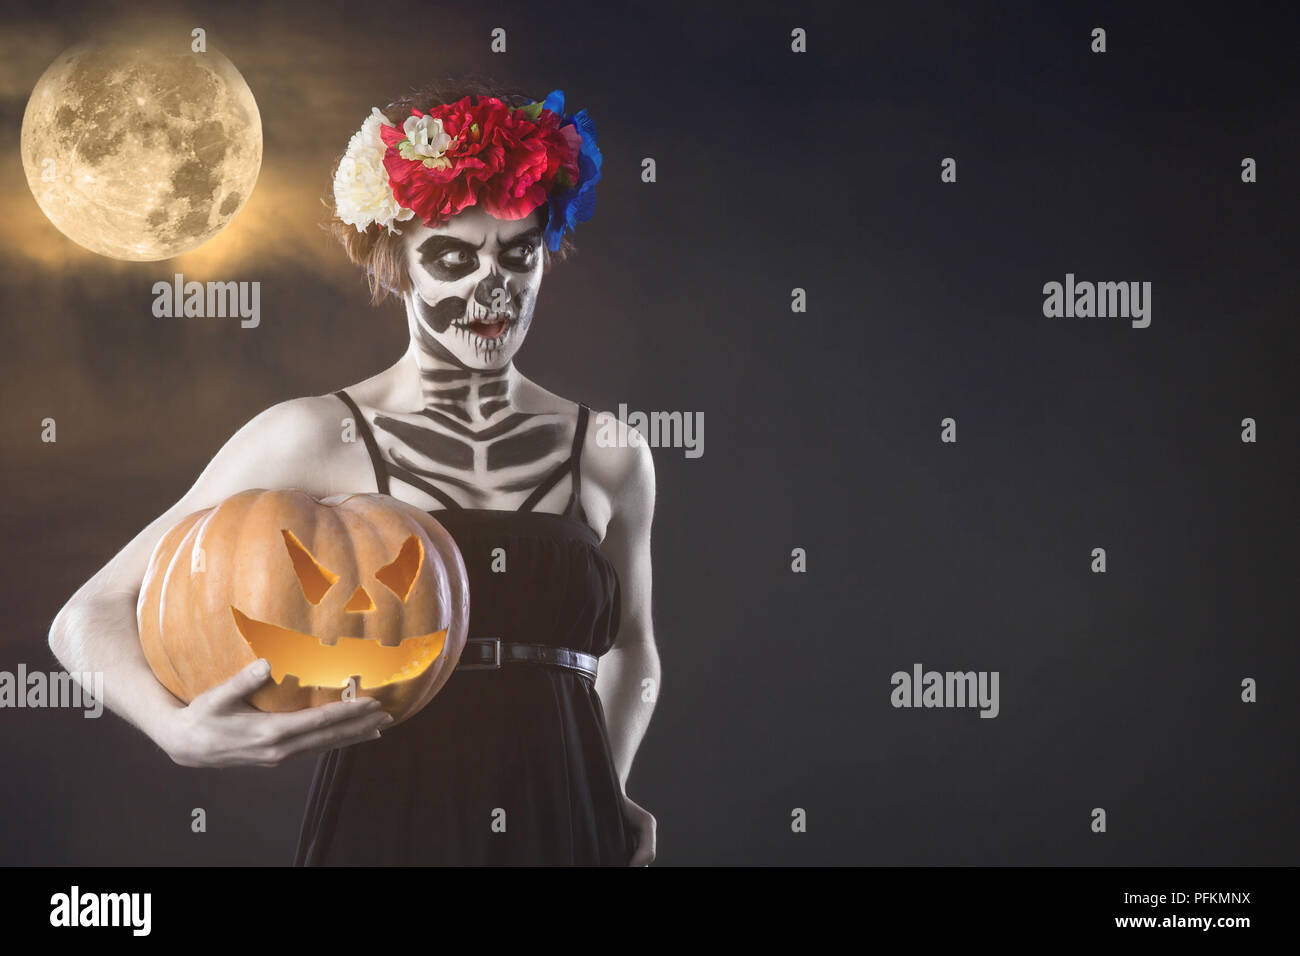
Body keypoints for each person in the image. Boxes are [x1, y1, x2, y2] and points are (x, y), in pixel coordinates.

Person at [47, 78, 660, 866]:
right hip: (390, 818)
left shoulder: (611, 451)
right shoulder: (309, 434)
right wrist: (176, 730)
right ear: (397, 266)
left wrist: (607, 789)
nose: (492, 284)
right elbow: (88, 615)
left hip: (564, 820)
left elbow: (632, 647)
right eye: (453, 255)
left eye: (518, 254)